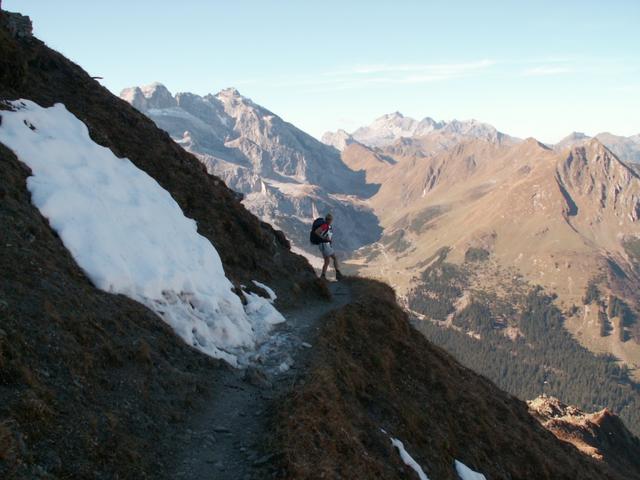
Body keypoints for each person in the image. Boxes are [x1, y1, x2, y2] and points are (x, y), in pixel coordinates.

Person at [311, 213, 344, 281]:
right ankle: (338, 274)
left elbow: (326, 234)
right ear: (327, 220)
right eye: (329, 219)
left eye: (330, 219)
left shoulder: (328, 226)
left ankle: (323, 276)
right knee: (334, 258)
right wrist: (324, 239)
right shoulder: (325, 226)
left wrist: (328, 240)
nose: (330, 221)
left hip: (324, 245)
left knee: (327, 261)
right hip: (324, 245)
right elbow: (317, 232)